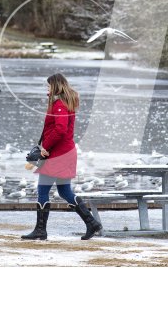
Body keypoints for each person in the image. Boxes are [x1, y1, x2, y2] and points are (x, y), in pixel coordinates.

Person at [21, 73, 102, 241]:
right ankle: (91, 223)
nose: (47, 88)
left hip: (57, 154)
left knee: (43, 189)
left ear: (56, 86)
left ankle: (40, 230)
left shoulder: (59, 104)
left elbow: (60, 129)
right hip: (65, 152)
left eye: (49, 86)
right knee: (64, 191)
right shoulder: (66, 101)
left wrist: (45, 147)